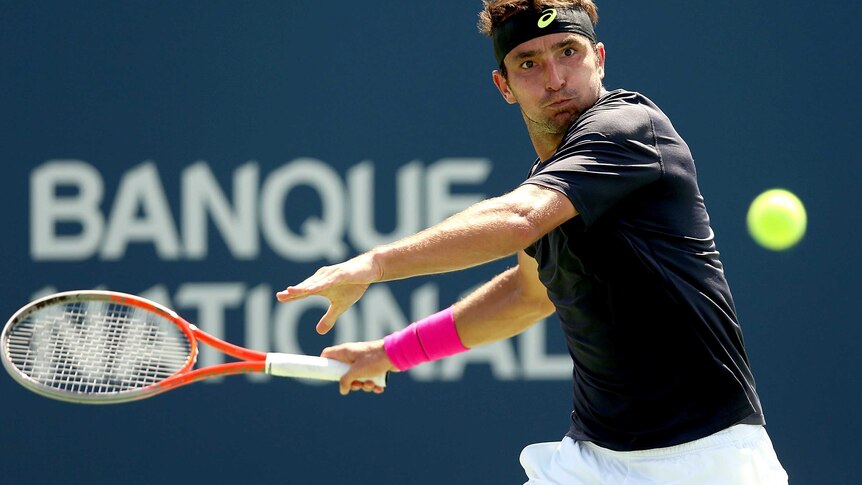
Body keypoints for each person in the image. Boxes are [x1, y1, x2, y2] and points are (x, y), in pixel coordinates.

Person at [276, 1, 789, 483]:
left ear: (600, 58)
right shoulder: (552, 179)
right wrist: (390, 353)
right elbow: (527, 295)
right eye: (528, 63)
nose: (554, 79)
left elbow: (521, 218)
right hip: (592, 460)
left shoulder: (630, 128)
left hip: (706, 459)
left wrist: (375, 263)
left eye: (568, 52)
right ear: (503, 85)